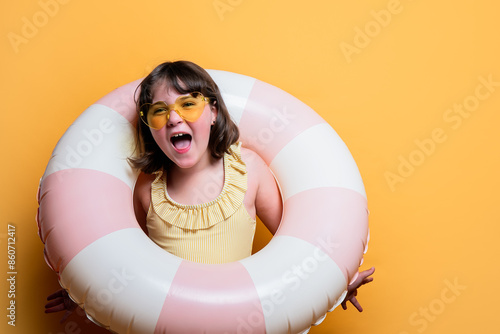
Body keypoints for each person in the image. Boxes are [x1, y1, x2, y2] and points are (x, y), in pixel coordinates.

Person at [45, 60, 374, 322]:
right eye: (159, 112)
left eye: (188, 105)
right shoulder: (148, 188)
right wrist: (88, 290)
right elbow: (130, 266)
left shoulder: (249, 169)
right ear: (150, 126)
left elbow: (300, 248)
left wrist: (334, 283)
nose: (174, 119)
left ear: (213, 112)